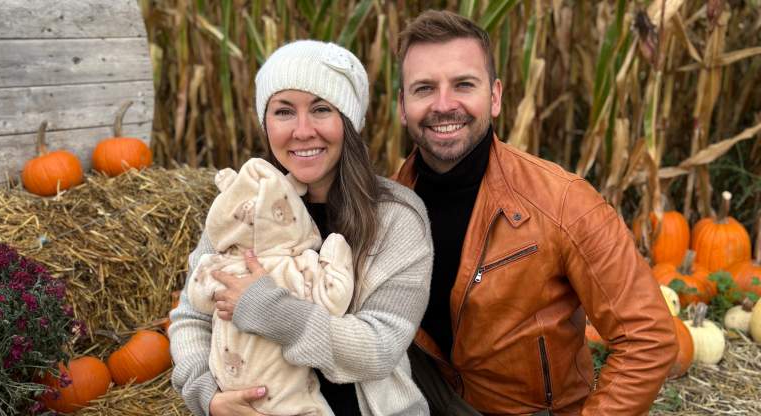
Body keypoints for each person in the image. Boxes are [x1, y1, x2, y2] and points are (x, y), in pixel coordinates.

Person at [392, 10, 679, 416]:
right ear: (403, 106)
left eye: (463, 85)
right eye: (424, 89)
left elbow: (648, 337)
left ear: (494, 97)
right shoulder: (383, 207)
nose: (443, 104)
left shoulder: (564, 202)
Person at [169, 40, 433, 416]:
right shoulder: (240, 205)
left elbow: (379, 348)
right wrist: (207, 397)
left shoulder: (397, 217)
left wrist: (267, 308)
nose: (303, 130)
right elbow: (191, 317)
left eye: (321, 109)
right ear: (266, 123)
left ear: (349, 121)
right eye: (284, 111)